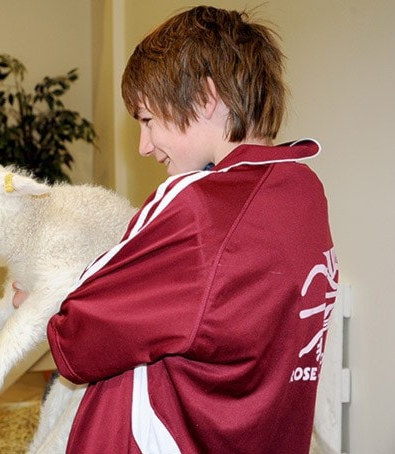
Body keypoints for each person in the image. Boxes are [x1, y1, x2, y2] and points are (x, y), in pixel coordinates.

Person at [44, 6, 338, 453]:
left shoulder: (200, 208)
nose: (144, 147)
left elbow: (74, 342)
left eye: (147, 120)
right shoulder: (303, 189)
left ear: (204, 98)